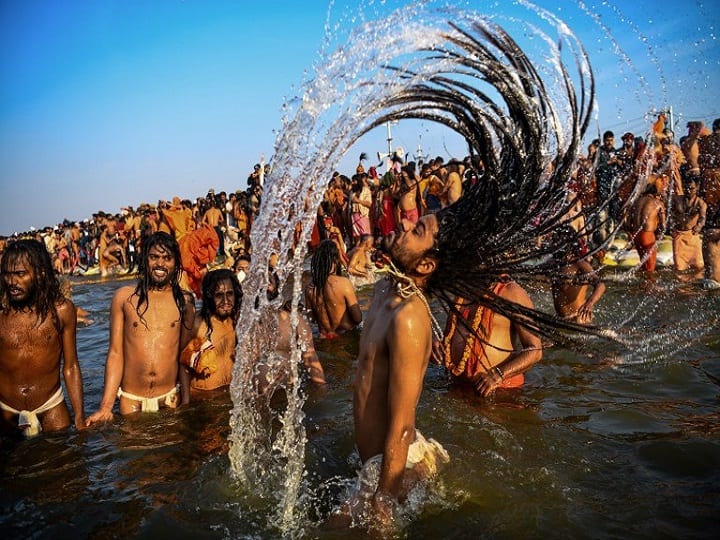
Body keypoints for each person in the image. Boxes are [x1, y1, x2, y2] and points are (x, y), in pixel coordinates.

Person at [86, 232, 195, 424]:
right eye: (154, 257)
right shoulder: (124, 298)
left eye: (167, 258)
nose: (160, 264)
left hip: (169, 398)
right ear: (144, 260)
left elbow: (183, 356)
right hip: (131, 400)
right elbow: (115, 353)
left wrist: (186, 403)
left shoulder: (184, 302)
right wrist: (106, 407)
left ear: (176, 263)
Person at [0, 239, 85, 436]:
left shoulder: (62, 311)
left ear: (40, 273)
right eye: (7, 274)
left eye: (20, 274)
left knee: (67, 463)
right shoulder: (2, 313)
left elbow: (71, 367)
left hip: (52, 408)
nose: (12, 282)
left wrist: (80, 416)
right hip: (6, 412)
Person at [438, 277, 543, 395]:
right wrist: (438, 347)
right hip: (457, 386)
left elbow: (535, 350)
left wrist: (498, 375)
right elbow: (455, 335)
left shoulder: (512, 292)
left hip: (500, 392)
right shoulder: (463, 289)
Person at [181, 269, 242, 393]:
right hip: (203, 399)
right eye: (219, 295)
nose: (225, 301)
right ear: (209, 297)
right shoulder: (198, 325)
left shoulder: (239, 323)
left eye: (230, 294)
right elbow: (182, 362)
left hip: (230, 395)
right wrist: (185, 401)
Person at [304, 239, 362, 338]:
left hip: (324, 338)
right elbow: (357, 318)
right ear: (336, 259)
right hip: (345, 337)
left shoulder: (309, 288)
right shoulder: (344, 283)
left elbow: (311, 319)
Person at [550, 227, 606, 324]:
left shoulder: (579, 263)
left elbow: (600, 285)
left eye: (557, 241)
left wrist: (590, 303)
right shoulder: (554, 264)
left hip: (579, 322)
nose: (553, 244)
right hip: (560, 321)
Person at [670, 177, 706, 275]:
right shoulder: (676, 199)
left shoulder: (700, 203)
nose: (688, 190)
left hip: (692, 236)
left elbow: (702, 218)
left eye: (691, 188)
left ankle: (695, 288)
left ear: (697, 188)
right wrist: (671, 226)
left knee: (699, 266)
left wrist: (698, 226)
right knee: (679, 267)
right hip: (679, 236)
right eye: (686, 188)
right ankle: (682, 288)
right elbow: (669, 213)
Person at [631, 183, 666, 272]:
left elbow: (628, 221)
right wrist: (660, 234)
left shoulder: (636, 202)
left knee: (644, 266)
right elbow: (663, 225)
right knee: (650, 269)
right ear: (655, 194)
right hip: (648, 236)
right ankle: (650, 285)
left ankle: (643, 285)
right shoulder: (658, 203)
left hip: (636, 236)